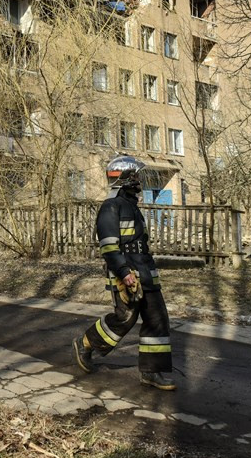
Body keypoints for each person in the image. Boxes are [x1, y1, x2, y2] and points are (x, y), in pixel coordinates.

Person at [72, 155, 176, 390]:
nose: (139, 180)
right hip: (127, 273)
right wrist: (123, 271)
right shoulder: (111, 206)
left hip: (146, 272)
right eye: (136, 175)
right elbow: (109, 246)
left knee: (158, 318)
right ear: (125, 178)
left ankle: (151, 372)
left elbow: (140, 244)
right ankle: (86, 343)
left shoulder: (132, 206)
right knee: (125, 318)